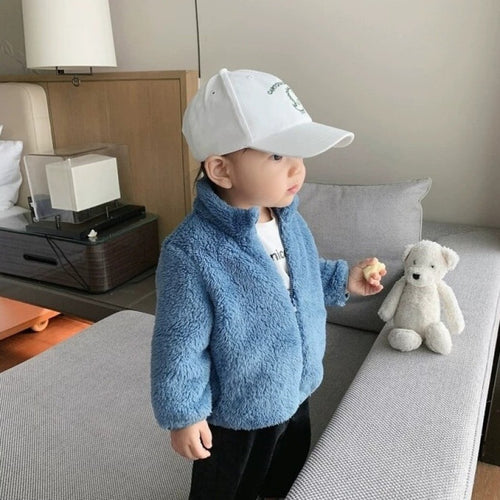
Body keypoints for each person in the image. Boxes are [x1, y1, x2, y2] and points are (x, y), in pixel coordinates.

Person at [151, 68, 386, 500]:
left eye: (298, 152)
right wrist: (184, 414)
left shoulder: (287, 218)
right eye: (277, 155)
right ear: (221, 169)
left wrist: (344, 279)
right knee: (228, 486)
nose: (298, 167)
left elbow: (300, 277)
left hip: (296, 389)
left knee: (286, 477)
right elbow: (179, 342)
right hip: (238, 411)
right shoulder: (191, 252)